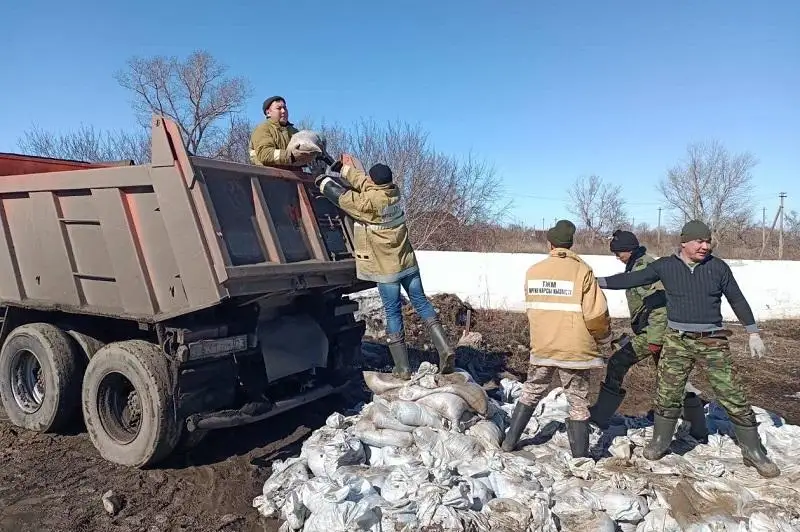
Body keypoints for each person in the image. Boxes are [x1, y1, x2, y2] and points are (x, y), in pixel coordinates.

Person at [596, 220, 779, 478]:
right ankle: (661, 442)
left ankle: (753, 451)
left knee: (732, 393)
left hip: (712, 340)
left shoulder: (718, 268)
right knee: (668, 392)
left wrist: (753, 332)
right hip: (677, 340)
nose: (705, 246)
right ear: (684, 242)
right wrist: (594, 281)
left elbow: (736, 298)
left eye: (708, 241)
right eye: (700, 242)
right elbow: (631, 279)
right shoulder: (666, 266)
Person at [315, 155, 455, 378]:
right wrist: (342, 169)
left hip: (387, 269)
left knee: (393, 312)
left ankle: (402, 367)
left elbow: (342, 198)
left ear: (375, 181)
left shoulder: (369, 204)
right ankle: (445, 348)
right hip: (408, 263)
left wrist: (321, 181)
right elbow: (365, 183)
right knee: (421, 302)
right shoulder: (393, 193)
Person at [501, 219, 613, 457]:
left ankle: (509, 442)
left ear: (550, 243)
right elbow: (596, 315)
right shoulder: (582, 271)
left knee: (531, 390)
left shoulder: (534, 271)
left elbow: (534, 310)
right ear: (570, 244)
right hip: (575, 351)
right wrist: (605, 340)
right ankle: (581, 458)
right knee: (577, 401)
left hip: (543, 346)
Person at [589, 230, 708, 443]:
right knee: (672, 377)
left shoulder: (644, 266)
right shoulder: (637, 263)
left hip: (658, 332)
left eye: (619, 253)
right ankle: (698, 427)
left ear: (629, 250)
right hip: (658, 331)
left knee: (618, 361)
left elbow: (661, 305)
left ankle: (600, 415)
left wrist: (653, 339)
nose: (617, 257)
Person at [249, 96, 315, 167]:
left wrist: (311, 156)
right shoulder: (262, 129)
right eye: (279, 108)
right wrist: (291, 156)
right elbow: (265, 154)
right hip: (268, 175)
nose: (283, 111)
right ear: (268, 113)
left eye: (285, 108)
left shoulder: (295, 132)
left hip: (295, 176)